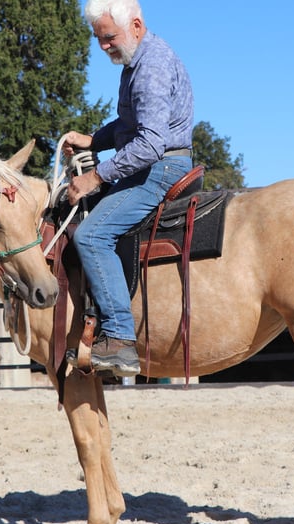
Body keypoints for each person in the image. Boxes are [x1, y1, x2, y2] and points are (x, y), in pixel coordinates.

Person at [62, 0, 194, 377]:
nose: (103, 46)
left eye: (108, 38)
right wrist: (92, 140)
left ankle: (119, 339)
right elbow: (127, 123)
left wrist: (95, 176)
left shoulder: (149, 67)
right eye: (98, 39)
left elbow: (150, 143)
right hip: (157, 161)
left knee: (90, 236)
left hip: (161, 167)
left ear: (135, 26)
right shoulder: (136, 61)